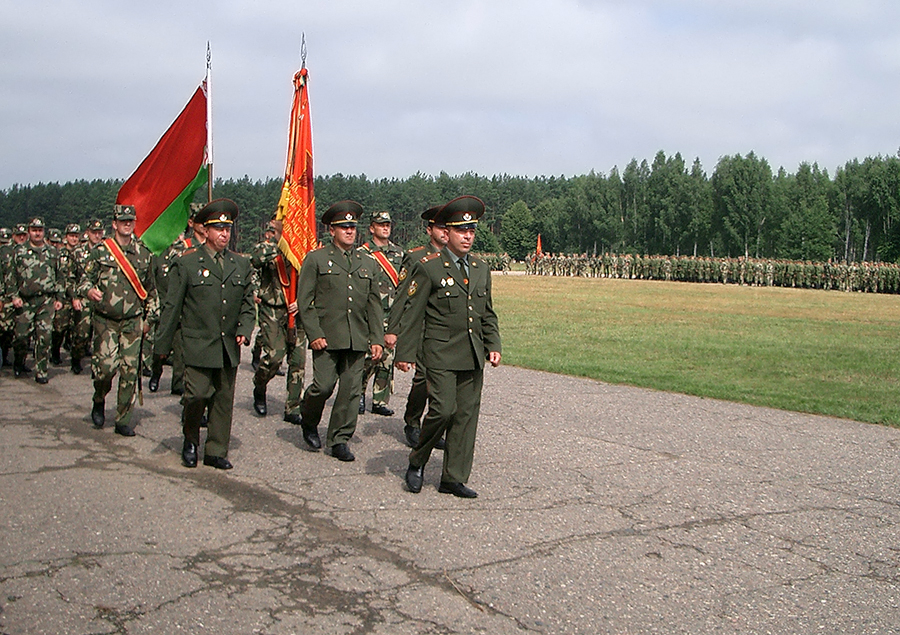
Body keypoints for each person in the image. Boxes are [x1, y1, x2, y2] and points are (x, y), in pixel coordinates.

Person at [395, 196, 502, 498]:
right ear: (448, 233)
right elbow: (413, 314)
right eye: (461, 231)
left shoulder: (481, 268)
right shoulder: (428, 267)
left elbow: (486, 312)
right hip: (439, 352)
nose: (468, 237)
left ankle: (452, 477)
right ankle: (417, 461)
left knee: (466, 416)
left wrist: (493, 343)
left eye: (471, 231)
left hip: (471, 353)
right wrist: (404, 353)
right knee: (442, 411)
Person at [156, 199, 255, 470]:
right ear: (205, 231)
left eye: (228, 228)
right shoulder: (186, 264)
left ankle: (215, 450)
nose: (225, 234)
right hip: (198, 344)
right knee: (196, 395)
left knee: (223, 400)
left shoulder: (241, 264)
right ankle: (190, 439)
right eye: (218, 228)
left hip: (227, 346)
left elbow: (248, 304)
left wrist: (245, 330)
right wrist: (161, 346)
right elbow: (172, 307)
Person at [295, 201, 384, 462]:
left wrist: (376, 338)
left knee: (350, 390)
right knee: (323, 387)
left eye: (352, 227)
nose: (349, 231)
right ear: (331, 230)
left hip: (356, 337)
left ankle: (339, 439)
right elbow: (305, 301)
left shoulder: (366, 262)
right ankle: (308, 418)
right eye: (343, 227)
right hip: (327, 336)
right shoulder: (316, 259)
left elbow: (374, 304)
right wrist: (314, 333)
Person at [79, 206, 157, 435]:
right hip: (106, 321)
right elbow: (84, 281)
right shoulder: (101, 252)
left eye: (130, 220)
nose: (126, 224)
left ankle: (123, 419)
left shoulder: (144, 253)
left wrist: (149, 319)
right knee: (105, 369)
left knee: (130, 371)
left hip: (132, 321)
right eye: (122, 220)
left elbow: (151, 291)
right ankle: (99, 397)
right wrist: (89, 291)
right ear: (113, 224)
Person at [385, 205, 447, 448]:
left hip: (442, 329)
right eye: (440, 227)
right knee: (422, 379)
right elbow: (402, 295)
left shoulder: (455, 257)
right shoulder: (415, 256)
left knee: (440, 380)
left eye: (447, 228)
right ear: (429, 229)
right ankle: (412, 421)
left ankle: (432, 427)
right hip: (420, 327)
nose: (444, 232)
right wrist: (393, 329)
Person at [250, 218, 306, 424]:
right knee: (274, 356)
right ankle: (260, 384)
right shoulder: (268, 248)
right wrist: (284, 245)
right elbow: (256, 259)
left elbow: (310, 277)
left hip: (298, 309)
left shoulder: (303, 249)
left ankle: (293, 407)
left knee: (298, 361)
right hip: (273, 308)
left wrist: (301, 300)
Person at [358, 210, 409, 417]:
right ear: (372, 228)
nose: (386, 227)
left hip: (392, 312)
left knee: (387, 357)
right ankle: (358, 392)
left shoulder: (399, 253)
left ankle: (380, 399)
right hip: (370, 312)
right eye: (381, 225)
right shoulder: (363, 253)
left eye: (388, 224)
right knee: (370, 356)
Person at [7, 217, 63, 383]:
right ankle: (19, 362)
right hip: (25, 301)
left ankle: (41, 371)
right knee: (21, 337)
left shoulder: (52, 252)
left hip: (46, 301)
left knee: (44, 337)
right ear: (29, 231)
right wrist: (14, 296)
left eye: (40, 230)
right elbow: (11, 277)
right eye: (34, 230)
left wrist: (59, 297)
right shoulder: (19, 251)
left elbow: (60, 276)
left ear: (43, 231)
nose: (37, 233)